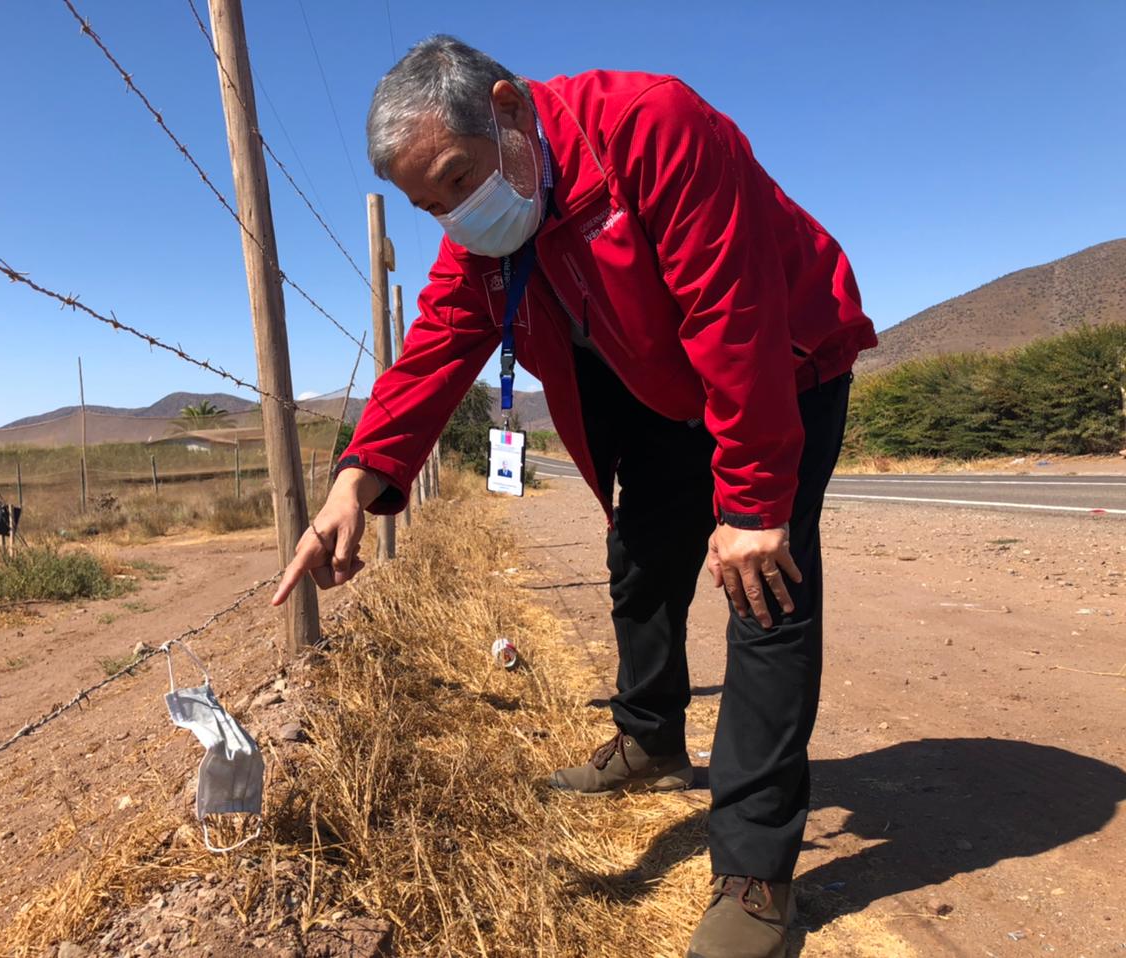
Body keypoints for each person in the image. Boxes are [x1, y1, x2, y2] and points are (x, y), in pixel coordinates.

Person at [273, 35, 877, 958]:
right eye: (429, 205)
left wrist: (752, 507)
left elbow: (733, 308)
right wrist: (358, 477)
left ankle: (755, 876)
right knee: (642, 552)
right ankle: (650, 736)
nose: (455, 215)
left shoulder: (650, 125)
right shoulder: (492, 234)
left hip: (780, 365)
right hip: (665, 387)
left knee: (765, 588)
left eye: (457, 179)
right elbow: (437, 343)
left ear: (510, 112)